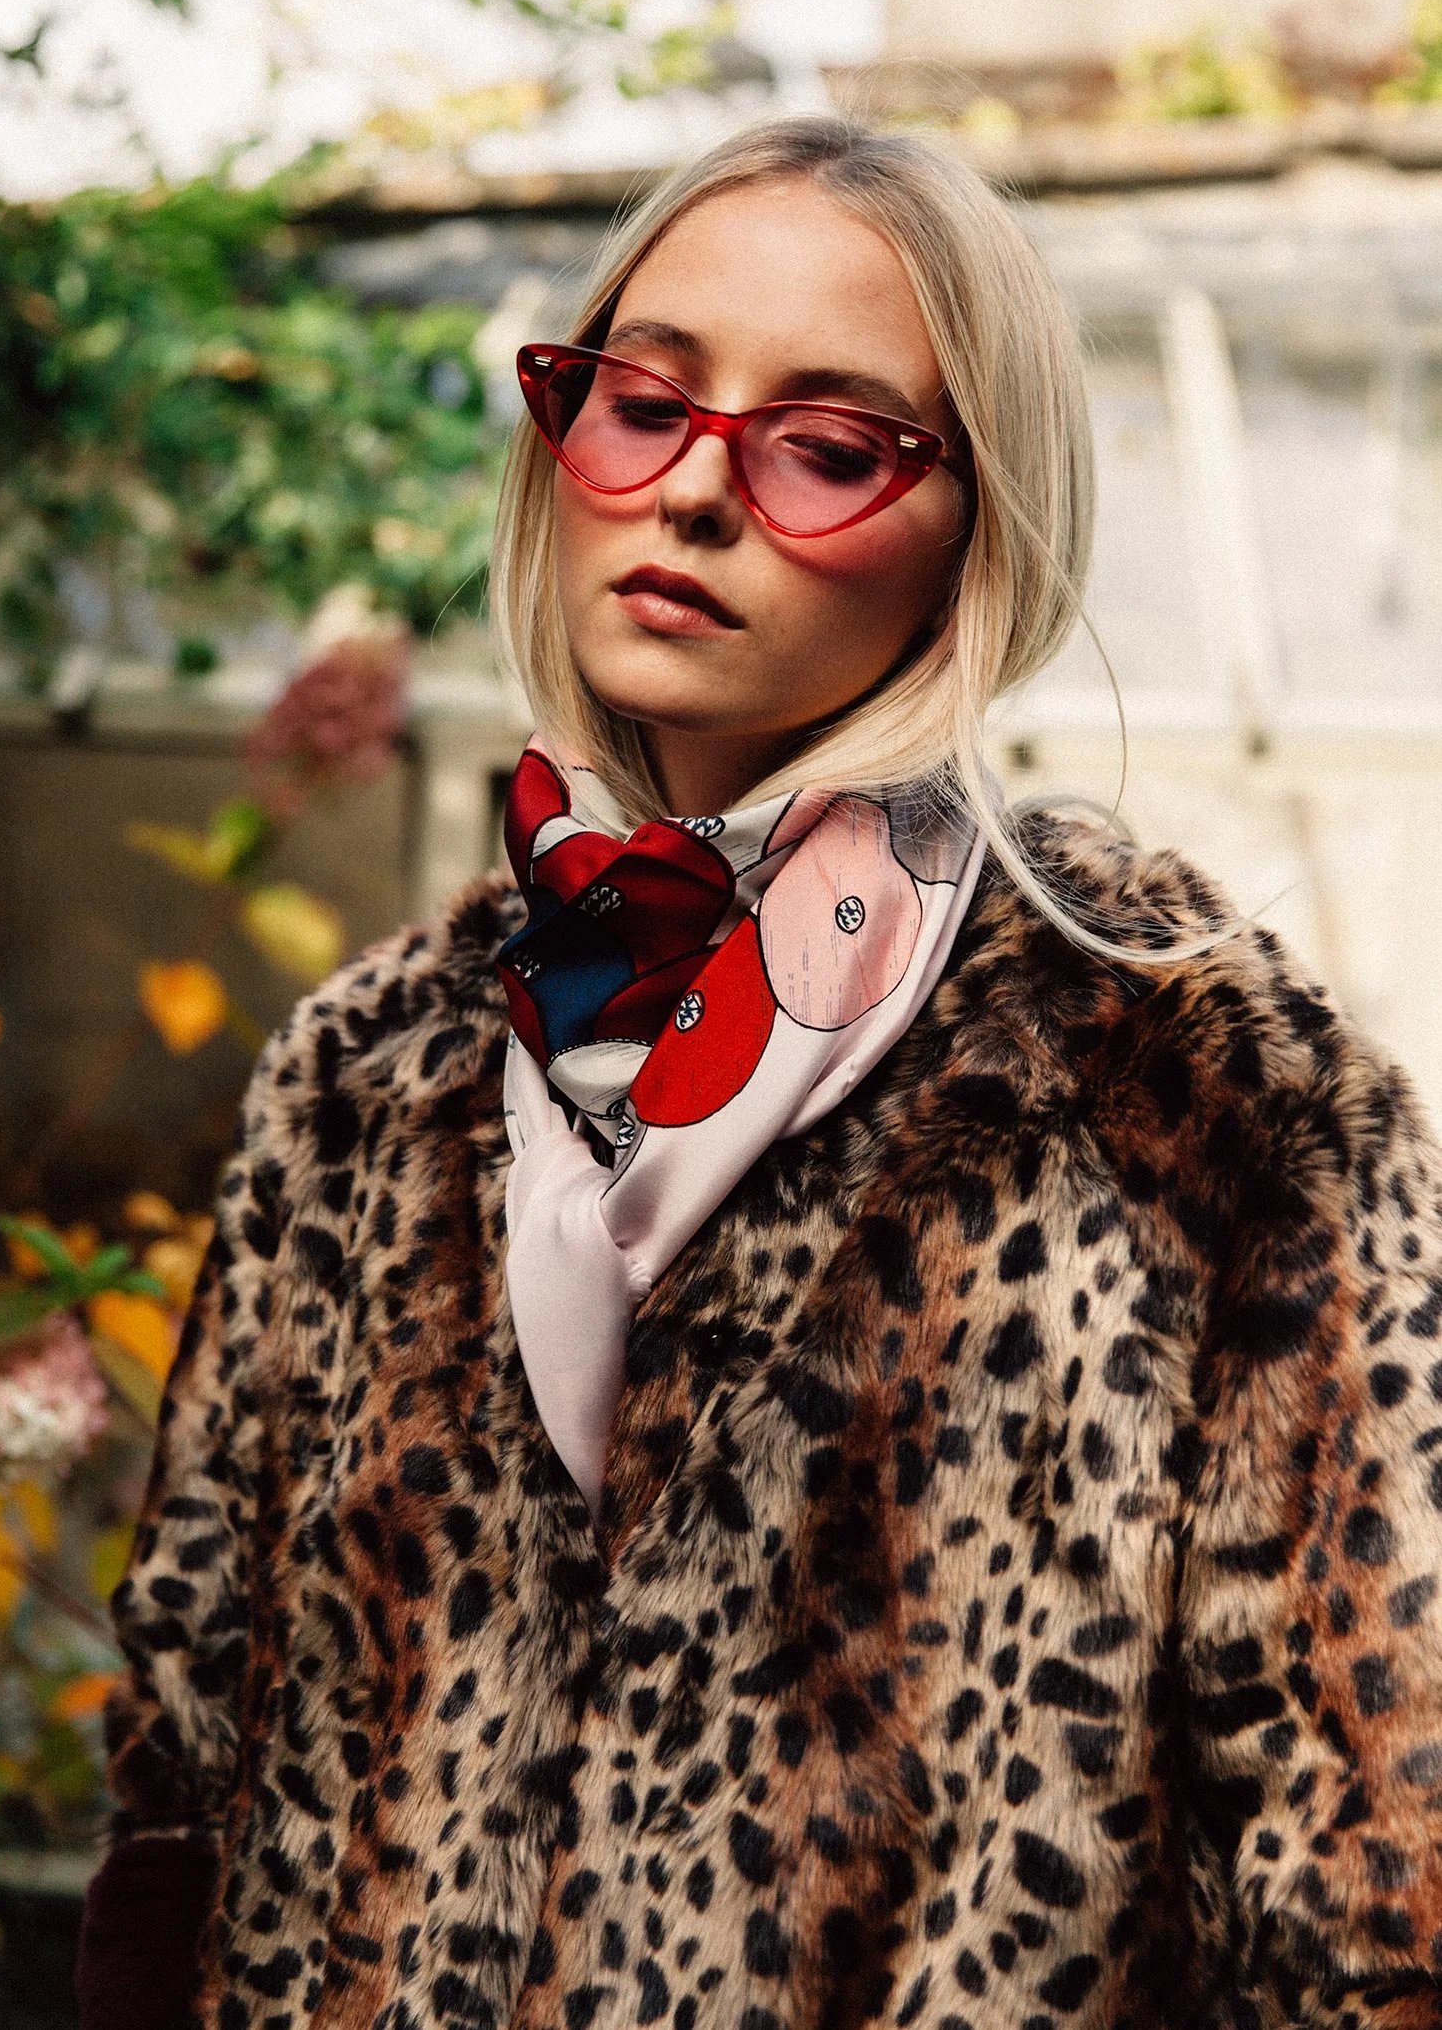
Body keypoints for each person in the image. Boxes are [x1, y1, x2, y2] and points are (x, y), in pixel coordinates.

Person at [76, 116, 1442, 2030]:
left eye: (827, 446)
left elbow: (1368, 1873)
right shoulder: (367, 1071)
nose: (694, 494)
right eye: (642, 402)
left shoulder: (1187, 1076)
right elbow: (184, 1775)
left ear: (982, 529)